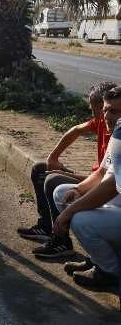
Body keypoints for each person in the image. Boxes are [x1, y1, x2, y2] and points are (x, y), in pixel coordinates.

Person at [17, 81, 117, 259]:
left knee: (53, 181)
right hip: (98, 180)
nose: (101, 117)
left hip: (107, 190)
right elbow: (76, 131)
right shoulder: (105, 123)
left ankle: (61, 241)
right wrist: (53, 157)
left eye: (111, 111)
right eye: (101, 111)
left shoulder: (116, 134)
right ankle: (47, 226)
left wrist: (68, 177)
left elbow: (109, 181)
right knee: (41, 169)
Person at [52, 87, 121, 289]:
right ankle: (97, 259)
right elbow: (101, 173)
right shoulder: (117, 133)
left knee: (81, 221)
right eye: (107, 109)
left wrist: (69, 213)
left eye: (116, 112)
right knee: (62, 193)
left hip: (116, 203)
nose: (107, 116)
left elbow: (110, 187)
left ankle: (109, 272)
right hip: (114, 205)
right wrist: (79, 190)